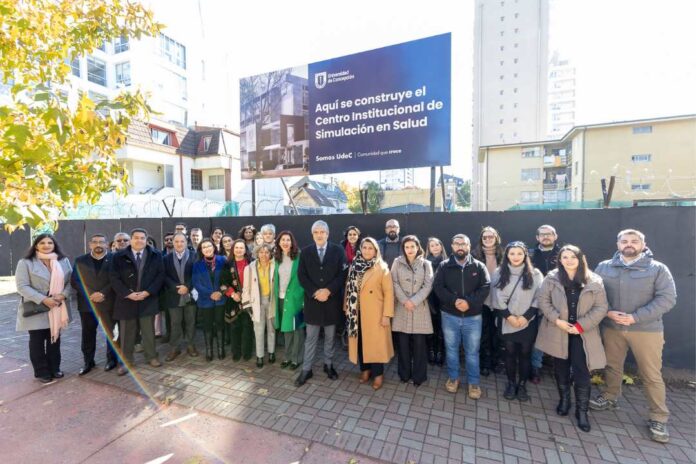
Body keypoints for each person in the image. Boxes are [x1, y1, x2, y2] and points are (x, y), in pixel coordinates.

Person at [591, 229, 677, 443]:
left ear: (643, 243)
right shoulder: (604, 267)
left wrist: (635, 317)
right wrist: (608, 311)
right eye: (624, 241)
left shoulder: (658, 269)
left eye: (634, 241)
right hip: (612, 327)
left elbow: (667, 299)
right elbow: (594, 293)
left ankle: (658, 417)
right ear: (618, 243)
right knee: (612, 366)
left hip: (646, 330)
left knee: (651, 374)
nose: (629, 244)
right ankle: (610, 397)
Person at [537, 245, 608, 432]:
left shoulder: (594, 280)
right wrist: (557, 320)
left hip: (583, 333)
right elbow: (543, 301)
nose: (568, 260)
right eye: (564, 257)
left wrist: (581, 325)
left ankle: (582, 411)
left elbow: (601, 308)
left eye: (572, 257)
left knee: (582, 372)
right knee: (560, 367)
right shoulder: (551, 278)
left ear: (580, 258)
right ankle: (564, 400)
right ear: (559, 260)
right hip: (558, 330)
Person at [433, 234, 490, 400]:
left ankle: (473, 382)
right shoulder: (444, 266)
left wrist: (469, 303)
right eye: (457, 243)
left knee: (472, 351)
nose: (460, 247)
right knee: (451, 349)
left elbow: (485, 287)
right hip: (449, 315)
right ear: (451, 246)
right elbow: (438, 287)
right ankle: (453, 378)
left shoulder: (479, 266)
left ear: (469, 246)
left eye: (463, 244)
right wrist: (454, 300)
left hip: (473, 317)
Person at [295, 220, 347, 387]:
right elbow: (302, 276)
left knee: (330, 337)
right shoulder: (306, 252)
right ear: (312, 234)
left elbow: (342, 274)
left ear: (327, 234)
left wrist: (328, 291)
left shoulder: (338, 250)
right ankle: (307, 369)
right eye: (316, 232)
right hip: (313, 302)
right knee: (310, 338)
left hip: (331, 301)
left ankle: (328, 364)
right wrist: (316, 292)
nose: (319, 235)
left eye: (322, 232)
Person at [489, 242, 543, 402]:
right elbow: (496, 297)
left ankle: (522, 384)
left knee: (526, 354)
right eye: (512, 253)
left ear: (525, 255)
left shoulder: (536, 274)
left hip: (528, 321)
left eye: (519, 253)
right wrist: (510, 317)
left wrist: (525, 318)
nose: (516, 257)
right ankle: (511, 383)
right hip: (507, 320)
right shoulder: (499, 273)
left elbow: (539, 298)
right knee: (510, 354)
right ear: (507, 255)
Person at [15, 234, 72, 384]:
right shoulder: (25, 262)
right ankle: (41, 371)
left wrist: (63, 295)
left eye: (50, 242)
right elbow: (22, 286)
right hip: (37, 307)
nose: (46, 245)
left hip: (58, 306)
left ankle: (55, 368)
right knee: (37, 341)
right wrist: (44, 299)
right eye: (42, 243)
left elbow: (71, 282)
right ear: (36, 245)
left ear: (54, 245)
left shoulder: (63, 261)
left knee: (55, 340)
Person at [110, 228, 164, 375]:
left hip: (148, 300)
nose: (139, 240)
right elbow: (114, 278)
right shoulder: (118, 256)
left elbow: (160, 276)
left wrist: (148, 292)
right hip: (126, 301)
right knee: (127, 334)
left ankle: (151, 357)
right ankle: (126, 362)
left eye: (142, 238)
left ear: (146, 240)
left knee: (148, 332)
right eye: (136, 238)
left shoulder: (156, 255)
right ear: (131, 239)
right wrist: (128, 294)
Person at [344, 237, 394, 390]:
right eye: (364, 247)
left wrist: (387, 315)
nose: (367, 251)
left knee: (375, 345)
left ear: (376, 251)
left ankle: (378, 375)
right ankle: (365, 370)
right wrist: (346, 307)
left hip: (375, 313)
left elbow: (389, 293)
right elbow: (348, 287)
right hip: (356, 312)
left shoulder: (382, 268)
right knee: (360, 343)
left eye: (370, 248)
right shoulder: (354, 266)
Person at [71, 234, 118, 375]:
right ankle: (88, 362)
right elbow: (75, 281)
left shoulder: (114, 259)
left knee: (111, 333)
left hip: (108, 302)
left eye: (101, 242)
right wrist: (91, 294)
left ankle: (111, 360)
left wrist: (103, 293)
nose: (98, 244)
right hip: (87, 304)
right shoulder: (80, 260)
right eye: (95, 242)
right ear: (90, 244)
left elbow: (116, 280)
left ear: (106, 245)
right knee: (88, 334)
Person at [391, 235, 433, 386]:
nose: (410, 249)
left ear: (417, 247)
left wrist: (413, 301)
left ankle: (419, 377)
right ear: (403, 248)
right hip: (402, 308)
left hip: (419, 308)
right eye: (407, 247)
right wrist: (404, 300)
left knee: (420, 345)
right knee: (402, 345)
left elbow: (428, 285)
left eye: (412, 246)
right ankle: (404, 374)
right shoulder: (397, 262)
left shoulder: (426, 264)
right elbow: (394, 282)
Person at [528, 224, 561, 384]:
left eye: (549, 234)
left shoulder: (565, 254)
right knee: (538, 338)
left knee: (561, 336)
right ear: (537, 238)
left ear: (555, 236)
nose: (546, 237)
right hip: (536, 303)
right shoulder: (530, 255)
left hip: (560, 303)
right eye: (542, 234)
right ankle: (536, 368)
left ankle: (561, 369)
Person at [472, 227, 504, 376]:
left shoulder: (505, 255)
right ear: (481, 239)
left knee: (498, 334)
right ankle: (485, 362)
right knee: (484, 334)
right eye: (485, 237)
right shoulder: (474, 256)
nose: (488, 239)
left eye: (491, 237)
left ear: (496, 237)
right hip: (482, 301)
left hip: (500, 301)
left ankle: (496, 361)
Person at [162, 232, 198, 361]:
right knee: (175, 323)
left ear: (186, 242)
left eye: (182, 241)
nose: (179, 244)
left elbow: (197, 274)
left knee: (190, 321)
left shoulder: (195, 256)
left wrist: (187, 287)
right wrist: (176, 287)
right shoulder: (166, 258)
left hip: (190, 295)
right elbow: (164, 276)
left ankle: (191, 345)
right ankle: (174, 348)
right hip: (174, 295)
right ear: (173, 243)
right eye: (176, 241)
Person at [272, 231, 305, 370]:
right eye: (283, 240)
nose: (285, 242)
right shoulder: (276, 258)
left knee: (297, 329)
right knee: (287, 330)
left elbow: (304, 277)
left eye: (288, 240)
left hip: (296, 299)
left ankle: (296, 359)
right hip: (280, 298)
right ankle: (287, 356)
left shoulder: (299, 256)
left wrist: (303, 298)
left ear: (292, 242)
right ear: (279, 242)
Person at [192, 239, 228, 361]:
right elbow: (196, 283)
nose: (207, 249)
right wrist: (210, 294)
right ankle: (209, 350)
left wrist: (220, 292)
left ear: (214, 247)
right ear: (201, 250)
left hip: (220, 299)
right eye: (204, 247)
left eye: (209, 246)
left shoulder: (222, 260)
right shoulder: (197, 264)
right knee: (207, 325)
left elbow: (227, 278)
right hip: (205, 299)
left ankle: (220, 349)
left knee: (219, 323)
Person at [242, 243, 276, 367]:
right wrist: (247, 304)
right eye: (261, 252)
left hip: (271, 301)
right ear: (257, 253)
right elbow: (246, 288)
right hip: (257, 302)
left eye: (267, 252)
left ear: (270, 253)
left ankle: (271, 352)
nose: (264, 255)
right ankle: (260, 356)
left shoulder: (274, 265)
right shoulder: (250, 268)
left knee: (271, 329)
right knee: (258, 329)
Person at [222, 239, 254, 361]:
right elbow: (223, 283)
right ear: (233, 249)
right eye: (236, 247)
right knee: (235, 327)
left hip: (249, 301)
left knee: (247, 327)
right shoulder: (227, 264)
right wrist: (232, 294)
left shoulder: (251, 263)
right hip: (233, 300)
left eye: (241, 247)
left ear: (245, 249)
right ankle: (236, 353)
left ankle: (247, 353)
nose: (239, 250)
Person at [425, 237, 446, 365]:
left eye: (437, 244)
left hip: (443, 300)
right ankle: (431, 351)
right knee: (431, 327)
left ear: (441, 246)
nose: (435, 247)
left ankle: (440, 352)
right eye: (432, 245)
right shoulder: (425, 262)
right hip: (430, 298)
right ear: (429, 249)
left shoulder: (448, 261)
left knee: (442, 328)